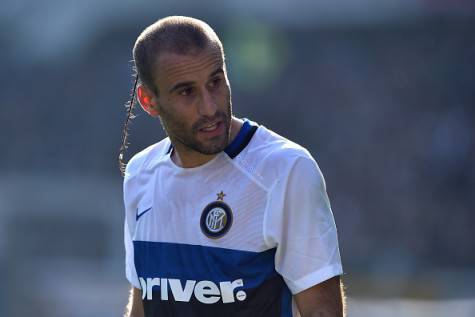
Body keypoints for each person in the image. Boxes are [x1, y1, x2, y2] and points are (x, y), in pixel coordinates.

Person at [119, 16, 345, 317]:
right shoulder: (139, 174)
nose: (210, 107)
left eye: (215, 81)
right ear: (148, 100)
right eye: (187, 92)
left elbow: (321, 312)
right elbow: (142, 307)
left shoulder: (286, 170)